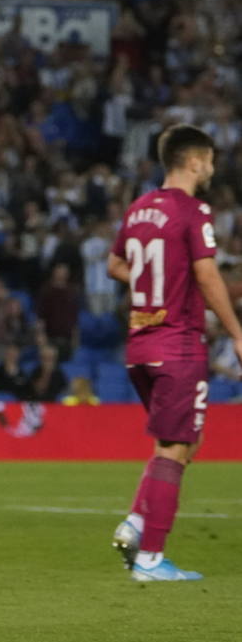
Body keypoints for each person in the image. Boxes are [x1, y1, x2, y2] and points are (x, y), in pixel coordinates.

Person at [106, 124, 242, 582]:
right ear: (195, 162)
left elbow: (115, 264)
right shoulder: (193, 211)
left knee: (183, 441)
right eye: (210, 160)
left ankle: (135, 523)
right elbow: (207, 276)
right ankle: (149, 558)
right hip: (178, 343)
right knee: (175, 445)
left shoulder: (139, 208)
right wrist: (237, 333)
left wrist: (156, 282)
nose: (213, 168)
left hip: (140, 344)